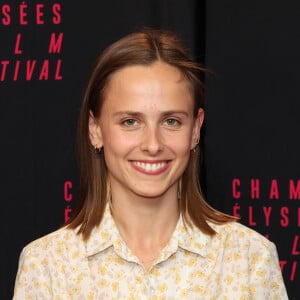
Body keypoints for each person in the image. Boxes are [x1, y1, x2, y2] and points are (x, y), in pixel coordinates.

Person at [13, 28, 288, 299]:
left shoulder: (251, 259)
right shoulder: (46, 266)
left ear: (195, 130)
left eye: (171, 121)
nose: (153, 145)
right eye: (130, 122)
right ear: (95, 129)